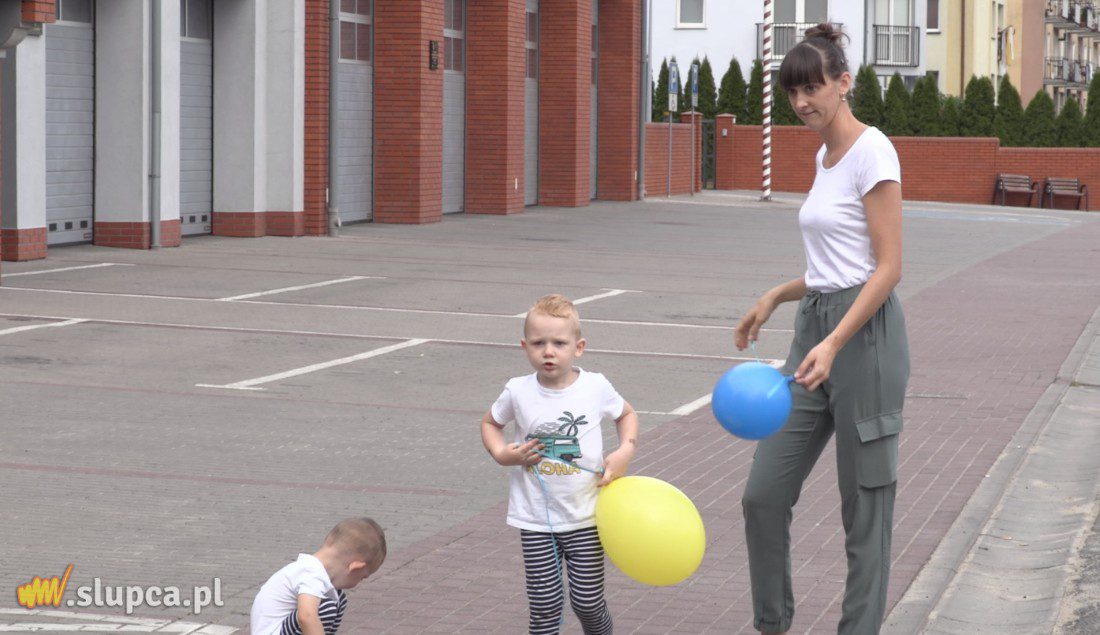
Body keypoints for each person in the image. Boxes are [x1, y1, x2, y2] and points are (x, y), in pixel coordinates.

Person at [733, 23, 910, 635]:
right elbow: (835, 266)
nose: (802, 102)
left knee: (864, 508)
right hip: (816, 328)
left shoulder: (872, 150)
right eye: (793, 92)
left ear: (843, 82)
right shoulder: (823, 154)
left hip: (867, 340)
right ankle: (772, 624)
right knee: (763, 494)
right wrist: (778, 295)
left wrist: (836, 342)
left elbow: (886, 269)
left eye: (812, 88)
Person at [481, 294, 639, 635]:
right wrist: (502, 454)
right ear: (525, 346)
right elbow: (490, 423)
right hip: (535, 519)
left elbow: (626, 415)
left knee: (588, 601)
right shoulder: (517, 390)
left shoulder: (595, 386)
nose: (548, 351)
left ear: (578, 347)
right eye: (538, 343)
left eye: (559, 343)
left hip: (586, 516)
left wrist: (625, 449)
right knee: (545, 605)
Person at [251, 517, 387, 635]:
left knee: (338, 598)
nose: (359, 582)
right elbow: (306, 616)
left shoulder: (313, 571)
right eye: (362, 577)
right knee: (325, 606)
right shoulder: (312, 574)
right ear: (355, 567)